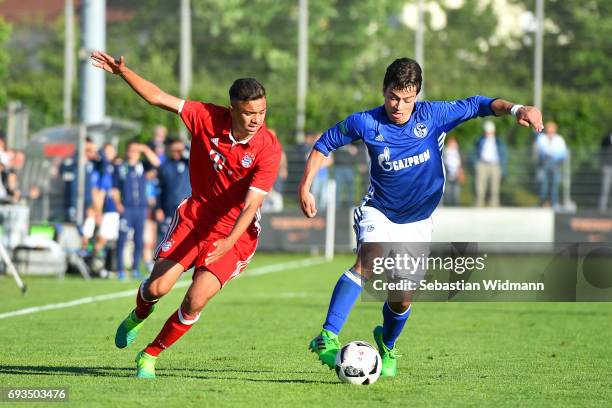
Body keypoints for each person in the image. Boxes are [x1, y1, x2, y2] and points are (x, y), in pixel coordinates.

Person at [298, 57, 543, 377]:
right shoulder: (365, 122)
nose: (399, 106)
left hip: (418, 221)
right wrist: (305, 188)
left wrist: (516, 109)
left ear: (417, 96)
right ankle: (327, 336)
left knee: (401, 297)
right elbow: (323, 144)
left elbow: (479, 104)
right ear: (383, 90)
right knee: (370, 260)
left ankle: (386, 344)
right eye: (393, 97)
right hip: (379, 210)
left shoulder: (435, 116)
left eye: (407, 99)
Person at [91, 51, 281, 378]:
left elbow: (251, 206)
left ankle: (149, 355)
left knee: (194, 300)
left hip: (236, 235)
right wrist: (124, 73)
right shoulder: (205, 116)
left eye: (262, 112)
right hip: (194, 220)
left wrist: (228, 241)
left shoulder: (268, 147)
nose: (257, 120)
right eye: (250, 113)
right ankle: (137, 315)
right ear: (233, 109)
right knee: (156, 289)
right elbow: (158, 97)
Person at [112, 141, 160, 280]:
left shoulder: (143, 166)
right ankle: (120, 269)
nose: (133, 153)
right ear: (127, 151)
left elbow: (157, 164)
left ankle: (135, 269)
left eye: (136, 151)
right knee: (122, 238)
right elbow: (115, 188)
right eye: (131, 150)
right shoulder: (120, 167)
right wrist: (118, 204)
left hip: (141, 209)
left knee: (139, 240)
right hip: (127, 208)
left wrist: (145, 149)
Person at [155, 138, 191, 243]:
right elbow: (158, 189)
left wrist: (186, 150)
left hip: (187, 208)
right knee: (166, 239)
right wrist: (158, 208)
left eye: (179, 150)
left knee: (185, 239)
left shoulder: (190, 164)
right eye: (174, 150)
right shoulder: (164, 167)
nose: (177, 153)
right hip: (168, 209)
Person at [472, 120, 507, 207]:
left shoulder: (498, 141)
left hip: (494, 165)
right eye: (486, 132)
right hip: (482, 164)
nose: (487, 133)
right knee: (479, 186)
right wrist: (476, 164)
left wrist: (502, 167)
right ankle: (478, 204)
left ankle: (494, 205)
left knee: (494, 187)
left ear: (493, 131)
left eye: (489, 132)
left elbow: (503, 154)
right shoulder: (479, 140)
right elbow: (474, 152)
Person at [535, 121, 567, 209]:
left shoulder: (559, 139)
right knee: (543, 185)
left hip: (556, 164)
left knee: (554, 185)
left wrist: (557, 161)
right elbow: (541, 151)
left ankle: (554, 203)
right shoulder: (541, 138)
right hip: (544, 164)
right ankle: (541, 203)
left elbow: (563, 153)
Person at [442, 135, 464, 206]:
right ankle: (446, 204)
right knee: (446, 190)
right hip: (447, 172)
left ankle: (456, 205)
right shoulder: (445, 151)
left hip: (456, 172)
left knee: (456, 190)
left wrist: (460, 172)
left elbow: (460, 163)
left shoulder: (458, 152)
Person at [598, 129, 612, 213]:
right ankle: (602, 209)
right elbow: (601, 152)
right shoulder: (606, 139)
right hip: (607, 166)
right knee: (605, 189)